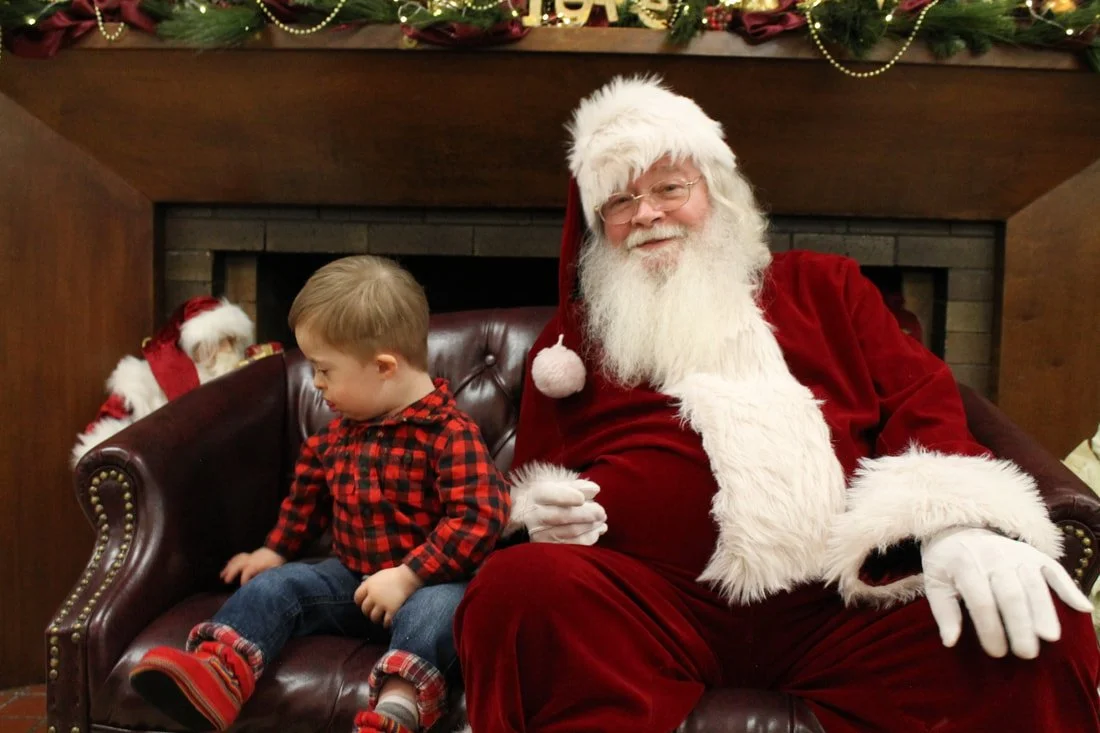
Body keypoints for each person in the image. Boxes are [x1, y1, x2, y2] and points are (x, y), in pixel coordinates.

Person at [453, 76, 1100, 733]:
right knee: (516, 591)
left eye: (670, 188)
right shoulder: (570, 350)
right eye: (620, 200)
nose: (647, 214)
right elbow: (530, 481)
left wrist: (959, 524)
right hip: (651, 615)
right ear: (600, 227)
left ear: (716, 194)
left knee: (1037, 622)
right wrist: (540, 516)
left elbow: (921, 399)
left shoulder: (829, 287)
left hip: (845, 604)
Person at [129, 255, 511, 733]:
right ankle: (218, 673)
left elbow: (480, 516)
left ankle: (396, 710)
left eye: (324, 370)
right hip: (351, 580)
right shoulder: (336, 436)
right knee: (277, 584)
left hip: (429, 584)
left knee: (441, 613)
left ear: (384, 367)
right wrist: (274, 550)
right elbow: (305, 501)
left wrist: (410, 576)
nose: (316, 384)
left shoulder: (449, 434)